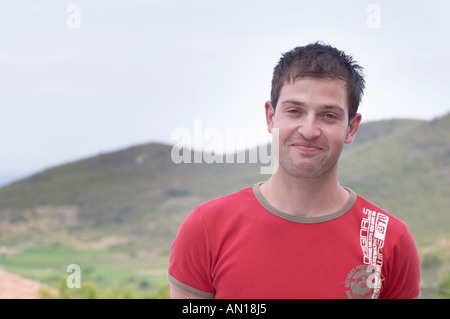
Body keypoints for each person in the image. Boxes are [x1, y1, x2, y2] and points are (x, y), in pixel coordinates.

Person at [167, 42, 421, 299]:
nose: (309, 130)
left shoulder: (389, 239)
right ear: (270, 117)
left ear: (351, 128)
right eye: (294, 111)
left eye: (329, 115)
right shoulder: (207, 228)